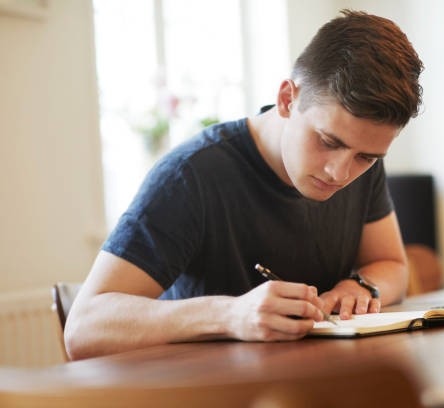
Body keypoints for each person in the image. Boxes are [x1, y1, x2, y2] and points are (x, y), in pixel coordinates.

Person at [65, 9, 424, 360]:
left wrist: (359, 287)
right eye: (329, 141)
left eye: (366, 157)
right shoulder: (190, 176)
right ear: (287, 99)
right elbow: (83, 328)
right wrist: (229, 315)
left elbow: (391, 264)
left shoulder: (363, 160)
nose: (339, 173)